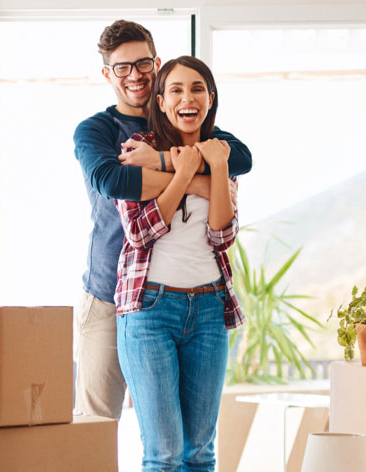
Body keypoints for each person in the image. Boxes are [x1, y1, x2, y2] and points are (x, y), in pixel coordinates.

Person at [72, 20, 252, 421]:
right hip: (107, 294)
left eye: (142, 64)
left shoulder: (182, 124)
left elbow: (241, 158)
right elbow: (116, 180)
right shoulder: (97, 130)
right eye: (122, 67)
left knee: (171, 438)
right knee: (96, 427)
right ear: (107, 73)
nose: (135, 75)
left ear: (156, 65)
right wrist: (200, 181)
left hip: (172, 298)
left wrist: (160, 162)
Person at [114, 55, 241, 472]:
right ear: (163, 102)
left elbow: (222, 236)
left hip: (207, 308)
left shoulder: (221, 153)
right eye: (177, 90)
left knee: (200, 453)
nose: (188, 99)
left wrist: (213, 169)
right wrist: (186, 176)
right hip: (150, 309)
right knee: (164, 454)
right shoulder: (137, 151)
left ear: (211, 98)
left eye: (198, 88)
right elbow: (140, 232)